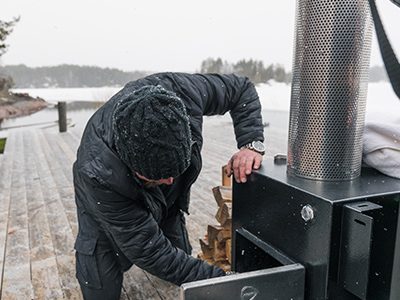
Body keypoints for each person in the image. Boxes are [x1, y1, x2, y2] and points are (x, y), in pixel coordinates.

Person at [72, 72, 265, 299]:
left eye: (176, 171)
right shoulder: (97, 173)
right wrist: (223, 283)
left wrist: (251, 143)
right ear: (131, 165)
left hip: (165, 203)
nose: (170, 181)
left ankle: (164, 209)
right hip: (102, 206)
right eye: (158, 177)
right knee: (100, 289)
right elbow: (150, 251)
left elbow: (241, 89)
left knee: (181, 259)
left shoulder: (185, 92)